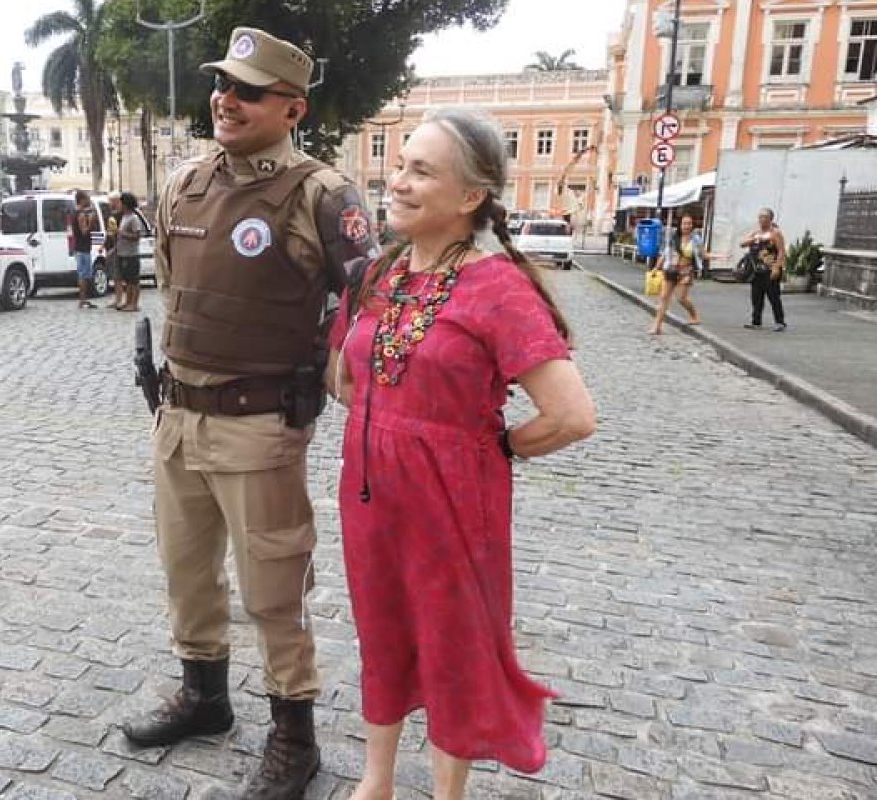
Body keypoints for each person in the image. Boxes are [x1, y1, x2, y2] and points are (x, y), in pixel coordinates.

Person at [121, 26, 377, 799]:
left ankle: (294, 736)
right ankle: (204, 696)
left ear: (293, 108)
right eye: (222, 84)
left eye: (249, 91)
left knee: (273, 588)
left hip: (260, 428)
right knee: (187, 571)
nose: (226, 100)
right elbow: (175, 288)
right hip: (178, 418)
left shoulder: (321, 194)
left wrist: (341, 375)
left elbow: (368, 308)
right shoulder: (184, 184)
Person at [326, 107, 596, 800]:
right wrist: (388, 422)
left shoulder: (498, 288)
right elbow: (344, 379)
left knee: (453, 646)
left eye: (421, 171)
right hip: (370, 494)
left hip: (452, 504)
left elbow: (571, 416)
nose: (398, 181)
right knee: (382, 631)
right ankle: (376, 782)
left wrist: (491, 447)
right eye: (399, 165)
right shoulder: (378, 275)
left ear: (471, 195)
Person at [649, 213, 704, 335]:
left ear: (692, 225)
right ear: (680, 224)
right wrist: (656, 268)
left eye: (689, 223)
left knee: (681, 298)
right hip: (671, 269)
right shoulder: (674, 237)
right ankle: (657, 326)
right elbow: (665, 253)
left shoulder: (696, 239)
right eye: (684, 223)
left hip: (686, 271)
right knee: (664, 298)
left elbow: (702, 254)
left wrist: (719, 256)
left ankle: (694, 315)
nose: (687, 226)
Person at [741, 208, 787, 332]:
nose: (762, 219)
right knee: (756, 297)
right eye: (760, 217)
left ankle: (780, 321)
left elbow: (781, 251)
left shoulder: (775, 233)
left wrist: (777, 267)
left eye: (765, 217)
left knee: (773, 296)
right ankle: (756, 321)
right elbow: (742, 244)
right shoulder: (756, 233)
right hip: (756, 270)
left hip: (770, 268)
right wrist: (753, 239)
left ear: (770, 219)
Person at [114, 191, 143, 312]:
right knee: (127, 280)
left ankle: (134, 304)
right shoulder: (124, 217)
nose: (119, 205)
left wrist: (121, 233)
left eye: (120, 202)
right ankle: (128, 301)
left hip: (131, 254)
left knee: (133, 281)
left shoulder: (133, 218)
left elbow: (137, 236)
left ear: (125, 204)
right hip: (122, 252)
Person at [70, 190, 97, 308]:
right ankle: (83, 299)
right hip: (83, 248)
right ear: (81, 200)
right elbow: (84, 231)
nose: (89, 200)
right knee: (83, 275)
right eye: (87, 198)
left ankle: (83, 299)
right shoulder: (80, 214)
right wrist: (90, 221)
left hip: (80, 247)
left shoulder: (75, 212)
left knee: (83, 274)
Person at [106, 191, 125, 310]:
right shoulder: (114, 214)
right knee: (115, 276)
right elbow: (110, 232)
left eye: (111, 201)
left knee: (119, 276)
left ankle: (120, 300)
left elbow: (117, 233)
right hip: (112, 247)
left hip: (117, 248)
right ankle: (117, 299)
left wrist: (114, 248)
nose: (109, 204)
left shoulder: (120, 215)